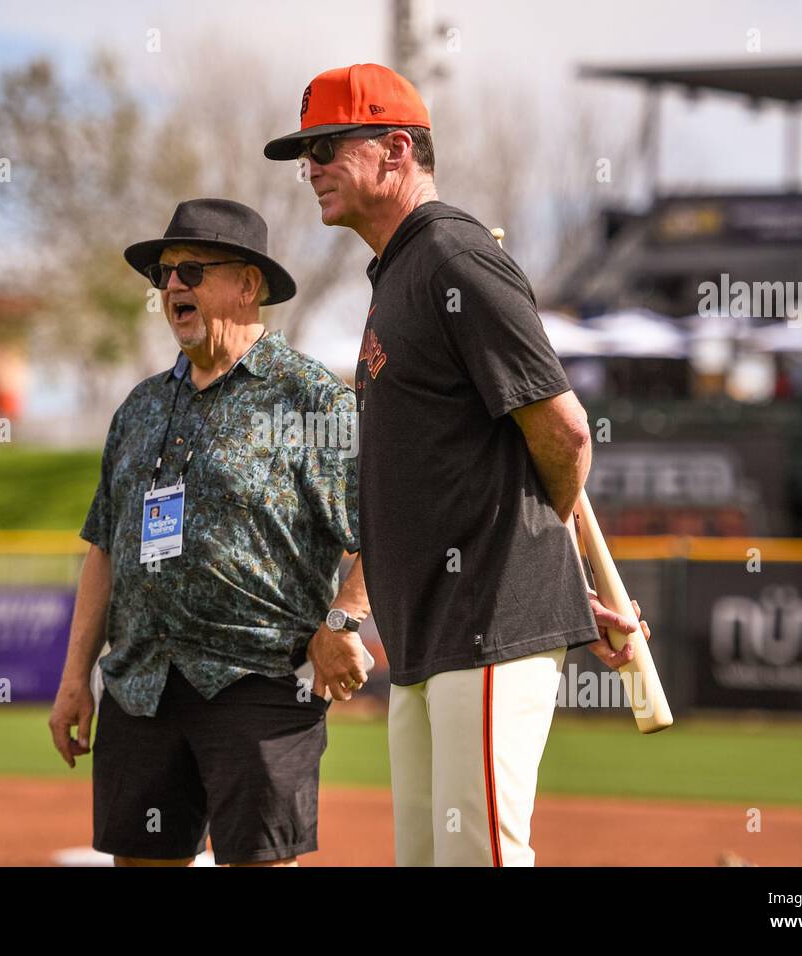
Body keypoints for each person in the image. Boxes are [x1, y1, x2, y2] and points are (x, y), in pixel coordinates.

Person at [265, 64, 652, 866]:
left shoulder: (451, 253)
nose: (311, 167)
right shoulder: (397, 273)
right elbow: (450, 472)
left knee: (480, 859)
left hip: (483, 625)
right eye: (306, 150)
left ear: (397, 149)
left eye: (329, 146)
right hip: (429, 635)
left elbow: (566, 432)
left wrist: (531, 571)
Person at [48, 198, 371, 867]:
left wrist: (343, 624)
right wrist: (75, 677)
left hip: (260, 683)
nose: (171, 287)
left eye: (190, 270)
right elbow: (104, 549)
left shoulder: (310, 400)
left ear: (247, 285)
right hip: (141, 686)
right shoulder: (139, 407)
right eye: (163, 275)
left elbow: (385, 531)